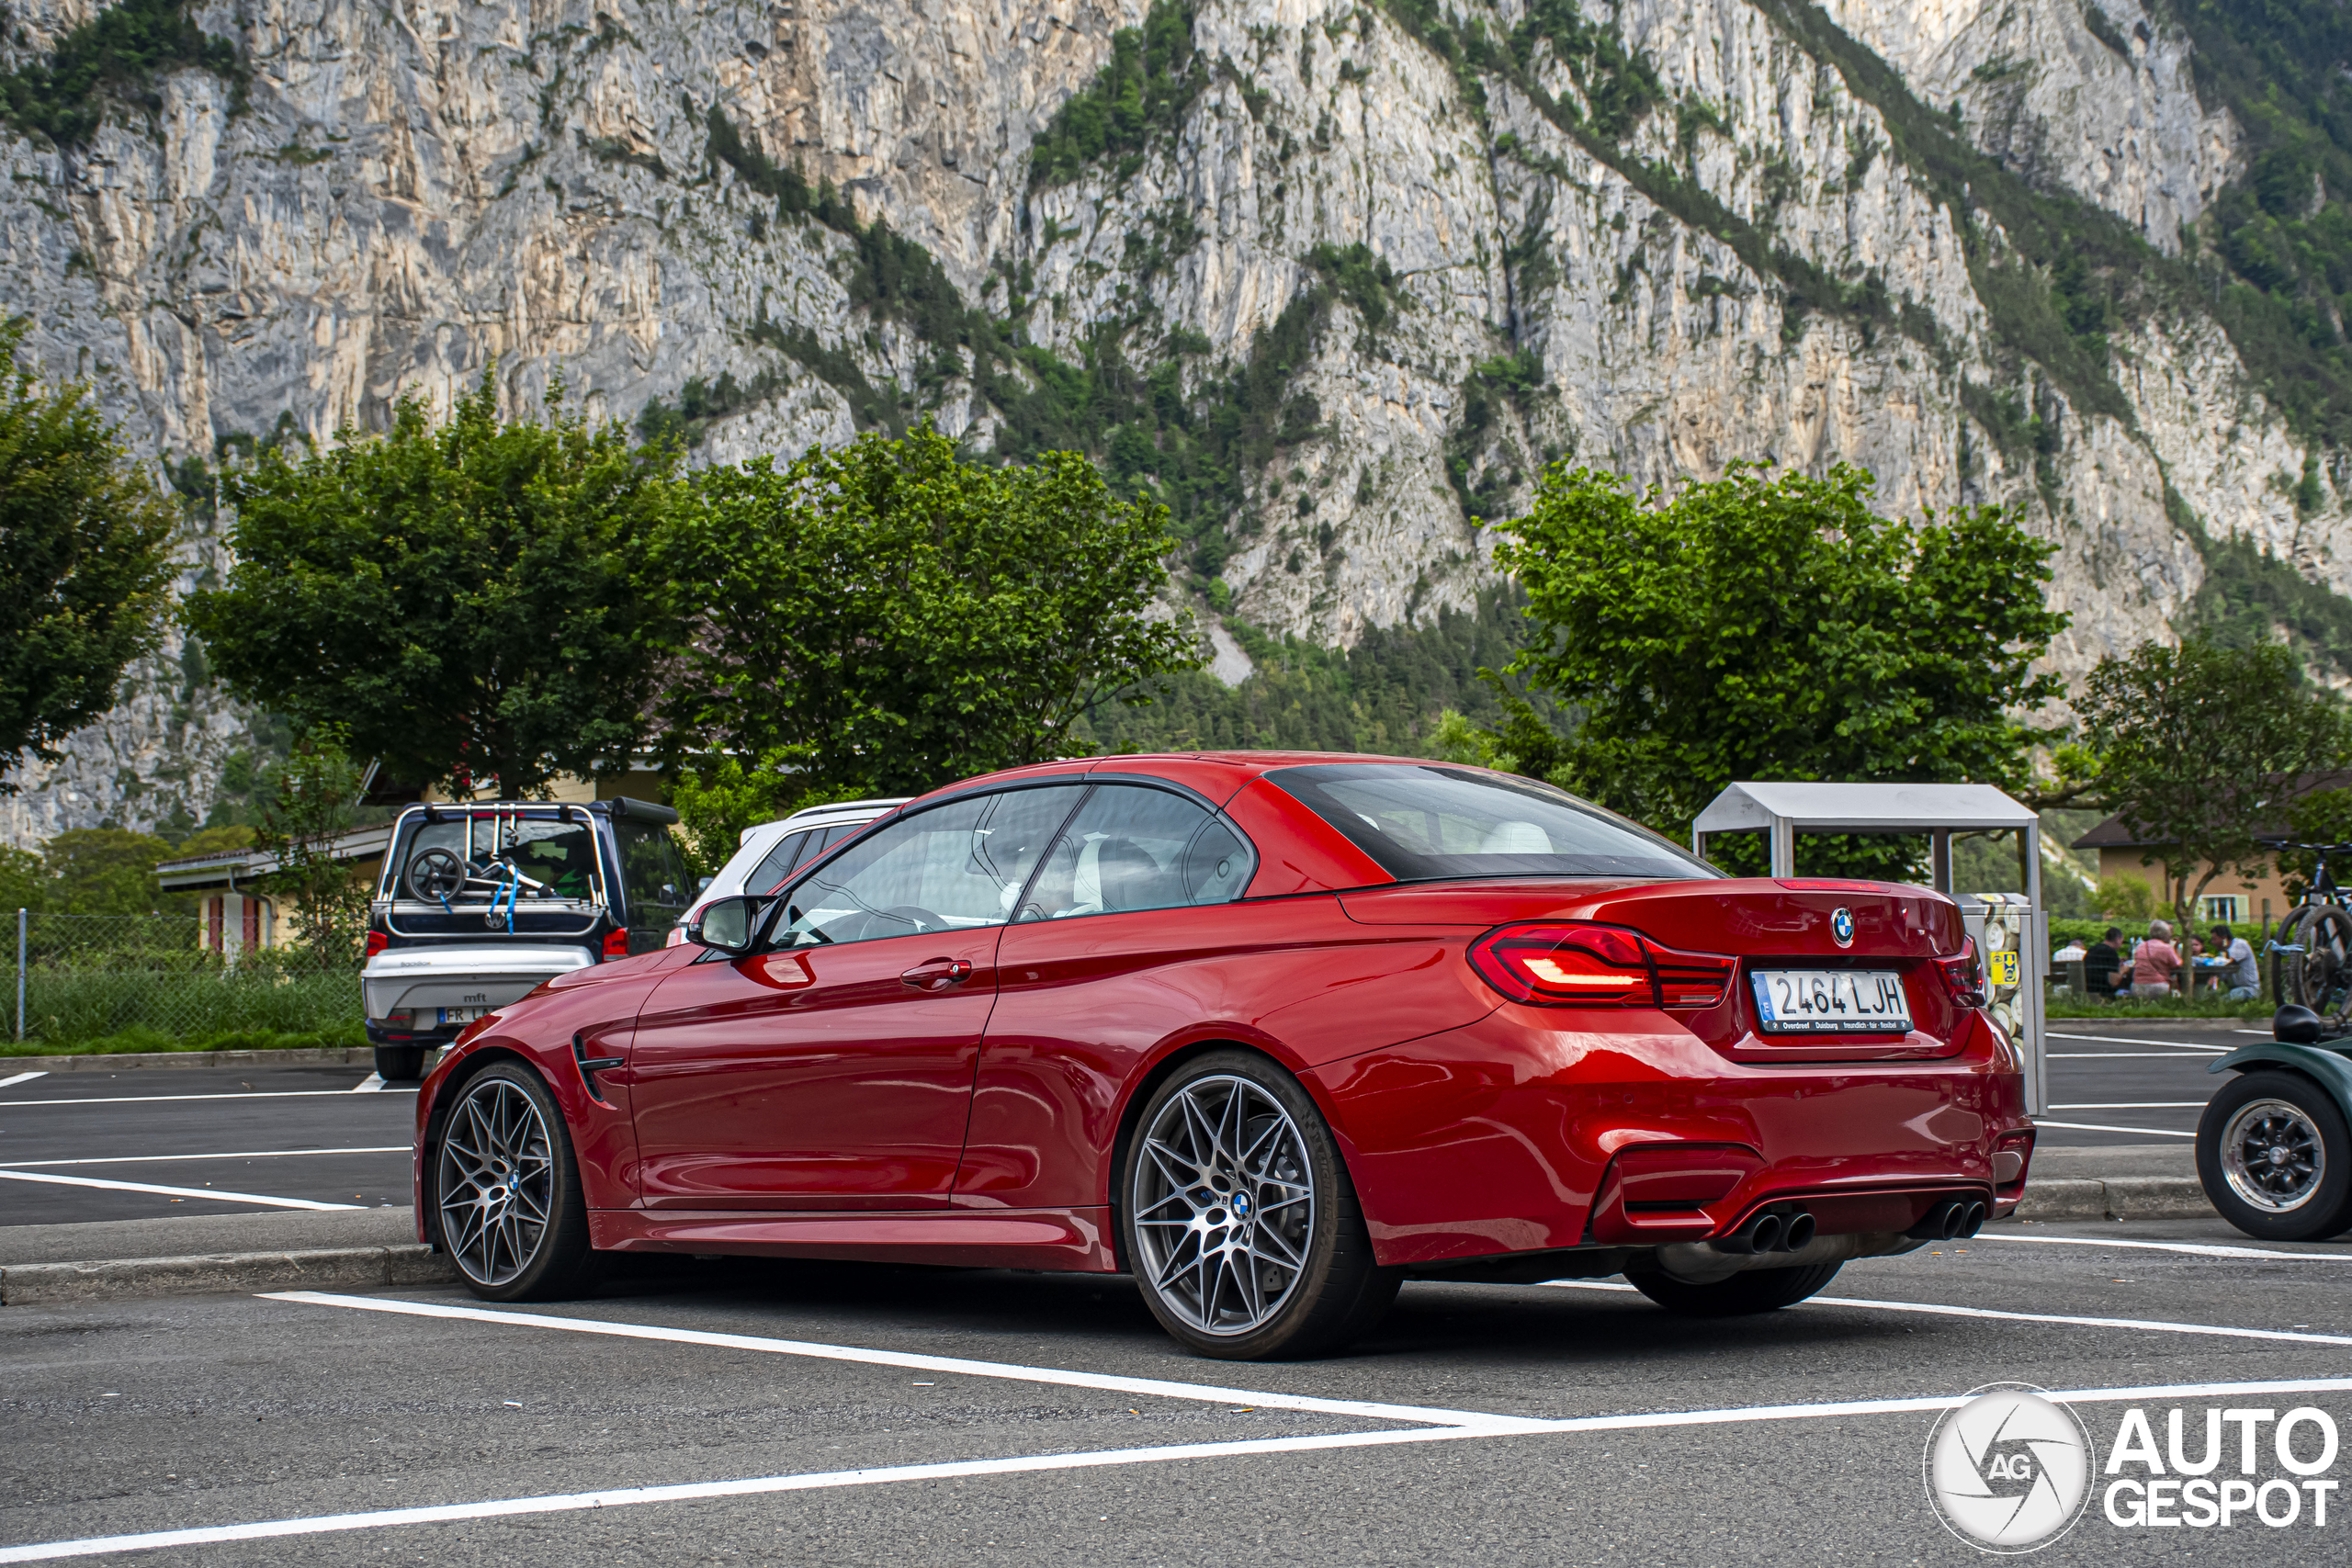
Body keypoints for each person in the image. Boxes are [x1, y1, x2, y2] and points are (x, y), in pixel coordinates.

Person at [2131, 919, 2181, 998]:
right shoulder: (2166, 948)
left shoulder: (2141, 946)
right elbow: (2177, 964)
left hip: (2137, 986)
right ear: (2165, 935)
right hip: (2158, 986)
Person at [2212, 923, 2259, 1002]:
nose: (2212, 942)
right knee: (2214, 999)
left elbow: (2231, 964)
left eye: (2214, 939)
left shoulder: (2239, 944)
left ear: (2224, 938)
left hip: (2249, 990)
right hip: (2236, 989)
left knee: (2220, 1002)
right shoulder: (2225, 951)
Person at [2085, 927, 2124, 998]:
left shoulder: (2092, 950)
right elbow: (2114, 982)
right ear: (2118, 940)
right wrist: (2123, 970)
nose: (2122, 944)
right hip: (2105, 992)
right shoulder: (2111, 953)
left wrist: (2117, 960)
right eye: (2122, 941)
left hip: (2089, 989)